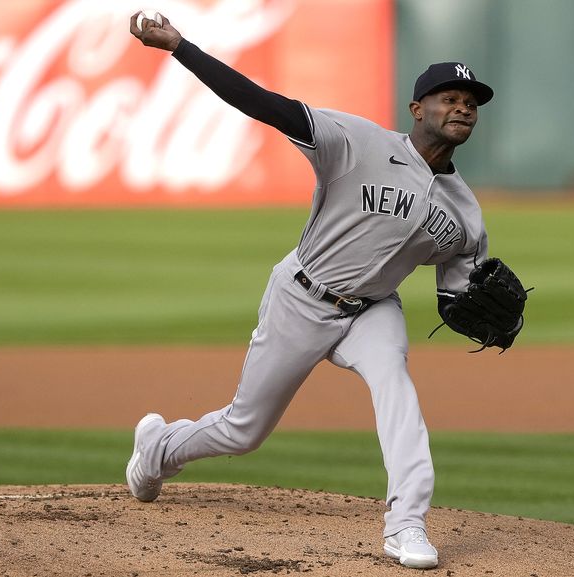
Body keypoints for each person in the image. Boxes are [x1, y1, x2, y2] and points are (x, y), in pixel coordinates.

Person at [126, 12, 495, 570]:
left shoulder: (466, 213)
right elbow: (262, 103)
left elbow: (457, 296)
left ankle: (407, 523)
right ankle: (158, 448)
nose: (462, 108)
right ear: (417, 108)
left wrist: (476, 308)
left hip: (373, 310)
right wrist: (180, 46)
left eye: (471, 102)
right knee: (244, 430)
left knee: (396, 387)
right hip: (301, 296)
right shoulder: (355, 141)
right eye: (449, 98)